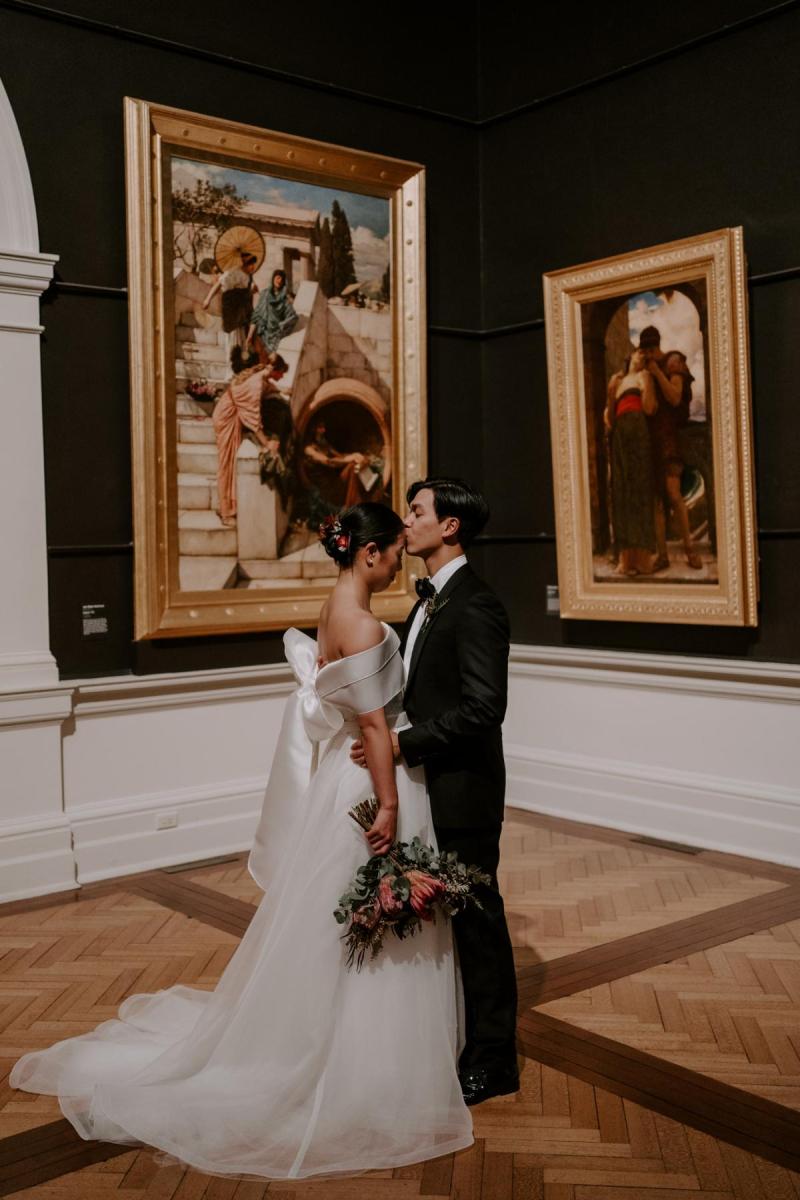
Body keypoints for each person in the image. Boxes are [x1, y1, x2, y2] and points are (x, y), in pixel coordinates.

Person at [9, 503, 473, 1179]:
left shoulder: (331, 605)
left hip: (338, 786)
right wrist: (391, 805)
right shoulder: (366, 621)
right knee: (374, 923)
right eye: (395, 549)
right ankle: (373, 1070)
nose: (399, 560)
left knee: (332, 924)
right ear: (369, 551)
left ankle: (340, 1045)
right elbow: (374, 729)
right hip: (372, 785)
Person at [351, 477, 519, 1106]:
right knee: (451, 918)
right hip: (428, 788)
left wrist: (400, 745)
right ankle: (455, 1037)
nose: (407, 522)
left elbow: (484, 710)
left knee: (479, 921)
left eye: (417, 512)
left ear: (450, 527)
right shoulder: (425, 602)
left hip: (465, 789)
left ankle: (494, 1059)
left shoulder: (476, 605)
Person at [638, 326, 701, 570]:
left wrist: (656, 372)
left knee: (674, 495)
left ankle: (690, 551)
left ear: (653, 349)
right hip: (651, 439)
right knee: (657, 500)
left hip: (670, 437)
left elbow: (675, 397)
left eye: (647, 351)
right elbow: (649, 407)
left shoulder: (674, 361)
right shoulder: (647, 371)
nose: (647, 356)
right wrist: (647, 376)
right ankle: (662, 556)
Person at [212, 353, 290, 526]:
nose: (282, 377)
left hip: (231, 413)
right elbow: (253, 421)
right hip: (227, 417)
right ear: (274, 370)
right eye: (281, 373)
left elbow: (268, 387)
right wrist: (266, 443)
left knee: (229, 464)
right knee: (226, 464)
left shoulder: (262, 376)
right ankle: (225, 512)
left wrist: (281, 390)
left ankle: (227, 506)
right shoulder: (255, 384)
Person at [604, 348, 658, 576]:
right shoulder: (617, 380)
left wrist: (647, 383)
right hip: (620, 435)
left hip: (637, 431)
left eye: (644, 356)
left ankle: (642, 559)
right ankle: (625, 559)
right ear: (630, 356)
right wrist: (610, 392)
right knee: (622, 492)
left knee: (639, 490)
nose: (641, 357)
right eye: (638, 353)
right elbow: (609, 418)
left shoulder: (643, 377)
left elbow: (649, 408)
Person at [201, 252, 259, 372]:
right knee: (234, 336)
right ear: (244, 263)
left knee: (243, 336)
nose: (252, 267)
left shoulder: (248, 276)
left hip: (243, 309)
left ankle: (241, 367)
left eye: (253, 264)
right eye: (250, 264)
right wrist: (207, 299)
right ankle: (232, 369)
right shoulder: (233, 272)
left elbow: (247, 292)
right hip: (233, 307)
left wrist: (251, 289)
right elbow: (218, 285)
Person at [303, 418, 370, 507]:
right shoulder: (309, 449)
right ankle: (354, 505)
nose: (324, 430)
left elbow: (340, 456)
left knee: (355, 463)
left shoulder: (324, 443)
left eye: (323, 427)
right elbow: (329, 462)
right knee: (351, 466)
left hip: (334, 482)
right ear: (313, 429)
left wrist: (356, 455)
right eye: (320, 427)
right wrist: (350, 458)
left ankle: (357, 502)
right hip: (325, 490)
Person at [247, 268, 298, 361]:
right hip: (262, 335)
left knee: (271, 363)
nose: (279, 281)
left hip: (276, 337)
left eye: (282, 279)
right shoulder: (265, 294)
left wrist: (281, 326)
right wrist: (250, 335)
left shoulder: (284, 298)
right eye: (278, 278)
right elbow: (256, 316)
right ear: (273, 278)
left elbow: (293, 316)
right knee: (260, 361)